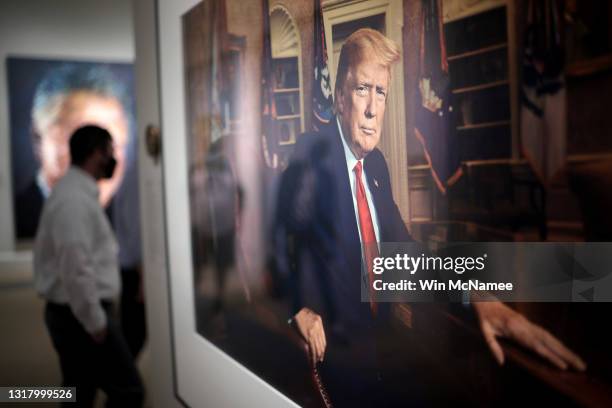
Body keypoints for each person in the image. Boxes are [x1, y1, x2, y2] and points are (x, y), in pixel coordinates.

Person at [276, 28, 585, 406]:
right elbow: (270, 239)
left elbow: (405, 253)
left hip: (384, 349)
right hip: (338, 363)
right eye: (362, 90)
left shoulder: (375, 164)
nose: (373, 108)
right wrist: (297, 310)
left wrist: (477, 297)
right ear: (340, 96)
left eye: (381, 92)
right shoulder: (312, 155)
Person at [33, 125, 144, 407]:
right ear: (96, 153)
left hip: (76, 312)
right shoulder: (73, 200)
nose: (113, 159)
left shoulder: (76, 194)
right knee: (128, 390)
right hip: (79, 315)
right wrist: (95, 320)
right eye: (110, 151)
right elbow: (75, 266)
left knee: (78, 391)